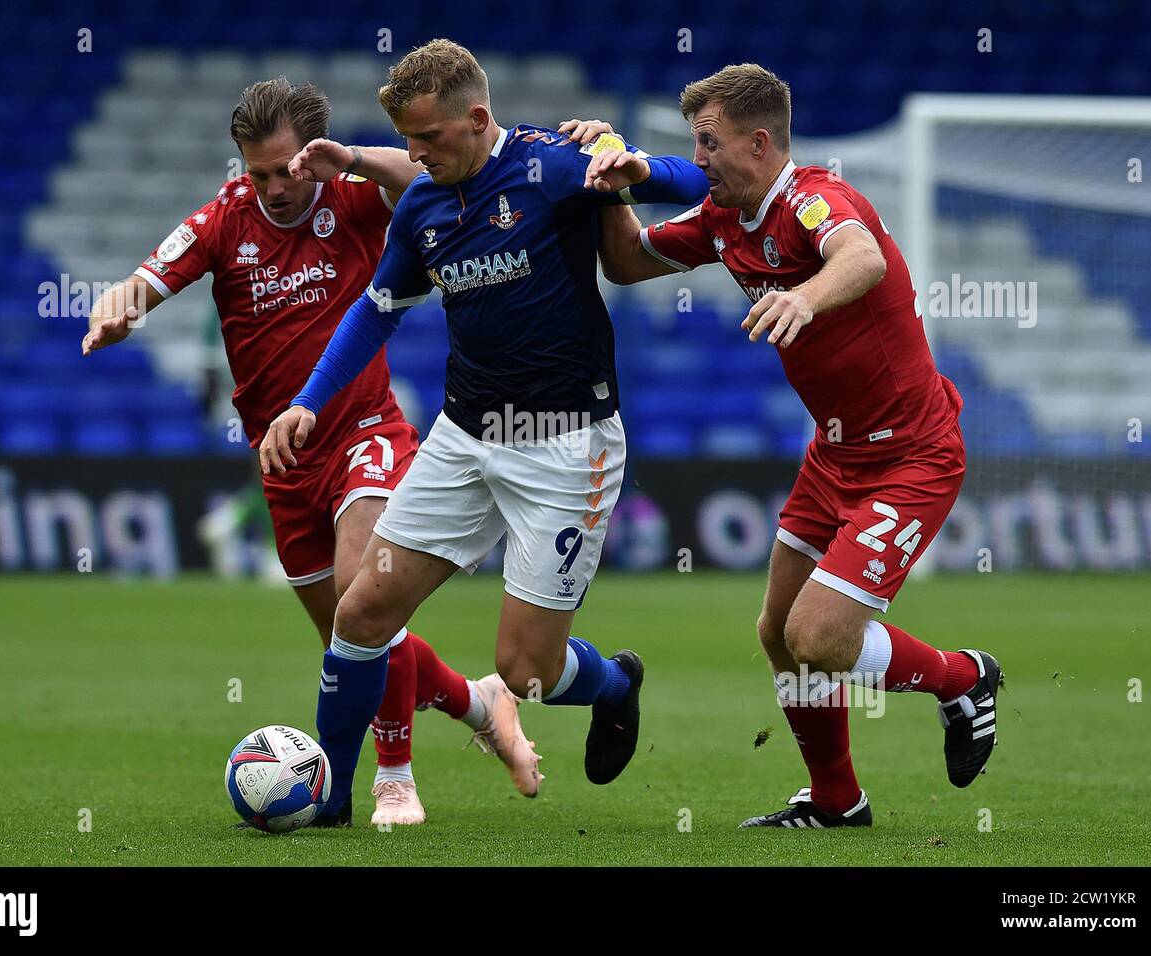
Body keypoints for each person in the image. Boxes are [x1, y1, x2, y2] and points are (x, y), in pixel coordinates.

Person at [260, 39, 711, 825]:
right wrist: (309, 400)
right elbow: (376, 311)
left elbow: (700, 180)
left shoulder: (555, 167)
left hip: (569, 447)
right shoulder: (424, 205)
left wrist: (639, 168)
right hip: (463, 440)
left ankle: (615, 685)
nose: (415, 153)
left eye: (428, 138)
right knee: (361, 613)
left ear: (477, 119)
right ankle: (330, 796)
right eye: (406, 139)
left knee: (526, 670)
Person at [83, 77, 541, 827]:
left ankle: (394, 779)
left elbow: (427, 176)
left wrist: (354, 162)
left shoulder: (353, 200)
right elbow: (143, 280)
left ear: (315, 155)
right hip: (285, 463)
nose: (275, 187)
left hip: (366, 431)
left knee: (368, 595)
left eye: (288, 169)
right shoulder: (223, 222)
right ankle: (478, 702)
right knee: (351, 641)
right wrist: (115, 314)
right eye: (257, 172)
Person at [593, 63, 1001, 828]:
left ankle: (961, 680)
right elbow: (624, 261)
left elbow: (863, 257)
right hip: (834, 455)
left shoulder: (816, 198)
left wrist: (802, 296)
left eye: (709, 143)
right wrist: (608, 179)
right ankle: (838, 800)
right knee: (779, 633)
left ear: (758, 142)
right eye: (693, 144)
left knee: (817, 636)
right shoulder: (723, 218)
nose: (699, 158)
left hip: (911, 454)